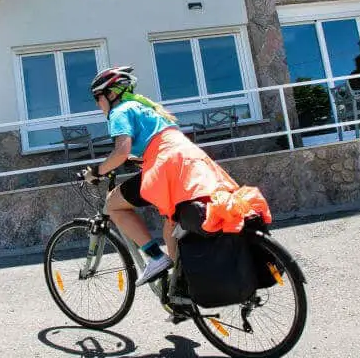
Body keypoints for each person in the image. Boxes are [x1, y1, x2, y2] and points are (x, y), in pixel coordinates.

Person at [80, 66, 246, 287]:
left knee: (113, 204)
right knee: (172, 229)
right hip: (191, 160)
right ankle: (182, 289)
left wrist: (96, 171)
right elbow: (157, 143)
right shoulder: (146, 109)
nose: (98, 105)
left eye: (97, 98)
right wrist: (135, 159)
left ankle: (156, 259)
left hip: (166, 166)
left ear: (110, 94)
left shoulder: (119, 111)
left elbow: (120, 151)